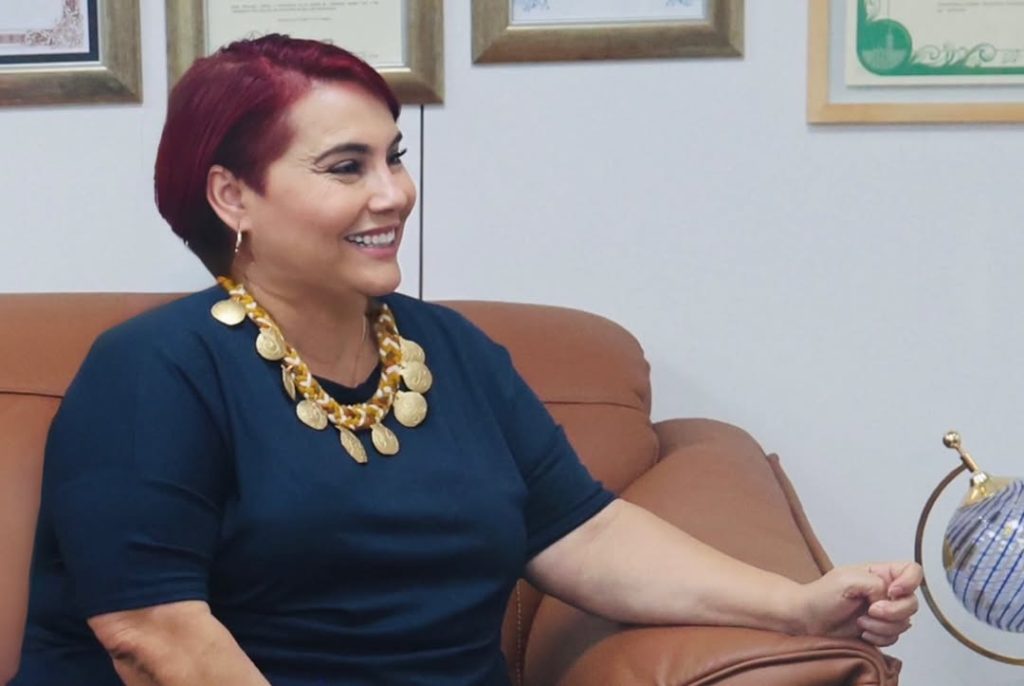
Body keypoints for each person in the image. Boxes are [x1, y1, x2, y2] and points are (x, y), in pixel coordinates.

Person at [12, 34, 921, 686]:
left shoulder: (448, 350)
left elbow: (583, 534)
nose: (393, 193)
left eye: (394, 158)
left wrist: (794, 605)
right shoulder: (152, 371)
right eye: (346, 167)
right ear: (232, 196)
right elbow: (153, 634)